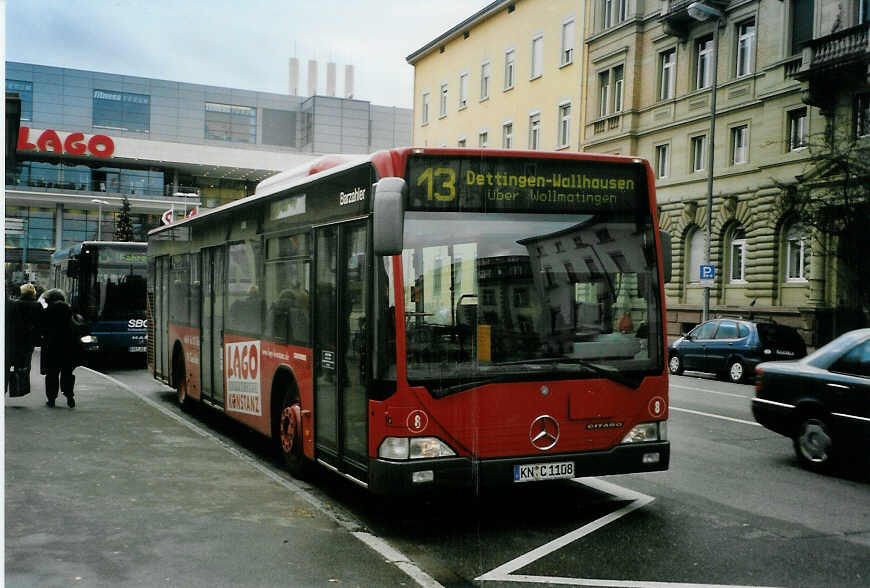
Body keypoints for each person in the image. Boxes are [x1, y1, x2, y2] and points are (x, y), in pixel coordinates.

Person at [40, 288, 82, 408]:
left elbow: (42, 327)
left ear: (49, 299)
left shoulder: (47, 311)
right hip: (68, 346)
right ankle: (69, 396)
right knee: (67, 373)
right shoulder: (70, 310)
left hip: (52, 346)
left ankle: (51, 399)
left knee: (52, 374)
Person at [8, 284, 43, 396]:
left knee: (14, 360)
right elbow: (39, 323)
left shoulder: (16, 304)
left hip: (16, 337)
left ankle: (15, 382)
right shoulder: (37, 305)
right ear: (33, 293)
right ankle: (23, 383)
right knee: (26, 360)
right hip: (30, 339)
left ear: (22, 293)